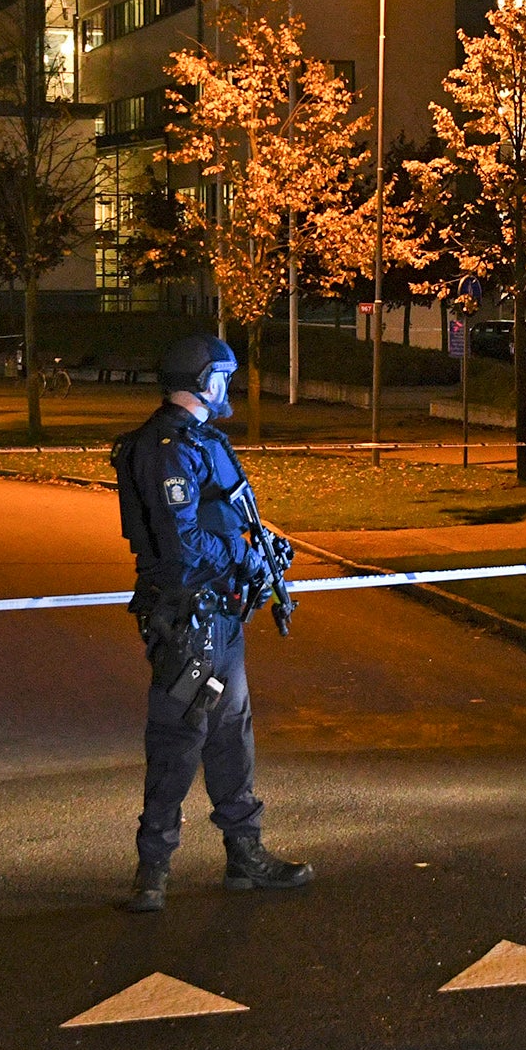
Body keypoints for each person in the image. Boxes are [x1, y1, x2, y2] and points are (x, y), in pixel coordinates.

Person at [111, 334, 312, 913]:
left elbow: (219, 515)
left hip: (221, 616)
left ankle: (244, 855)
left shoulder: (199, 441)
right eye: (221, 375)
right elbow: (183, 545)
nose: (229, 387)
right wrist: (245, 559)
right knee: (178, 740)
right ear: (199, 379)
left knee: (231, 736)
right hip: (188, 621)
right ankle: (153, 870)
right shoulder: (167, 448)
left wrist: (262, 546)